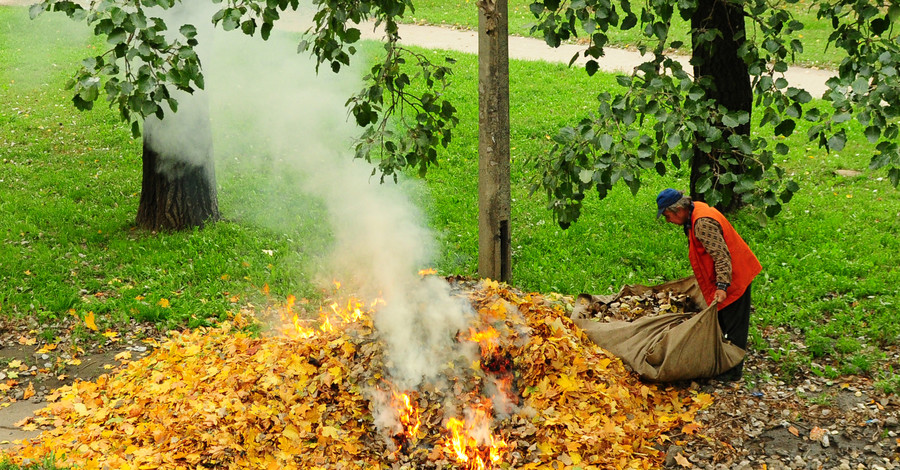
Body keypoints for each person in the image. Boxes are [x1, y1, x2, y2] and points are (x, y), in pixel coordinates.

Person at [656, 188, 762, 382]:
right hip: (729, 274)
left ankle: (732, 370)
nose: (667, 220)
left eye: (667, 215)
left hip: (734, 277)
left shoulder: (702, 223)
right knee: (723, 321)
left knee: (734, 325)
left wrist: (722, 287)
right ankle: (722, 360)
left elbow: (721, 257)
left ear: (678, 210)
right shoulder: (696, 211)